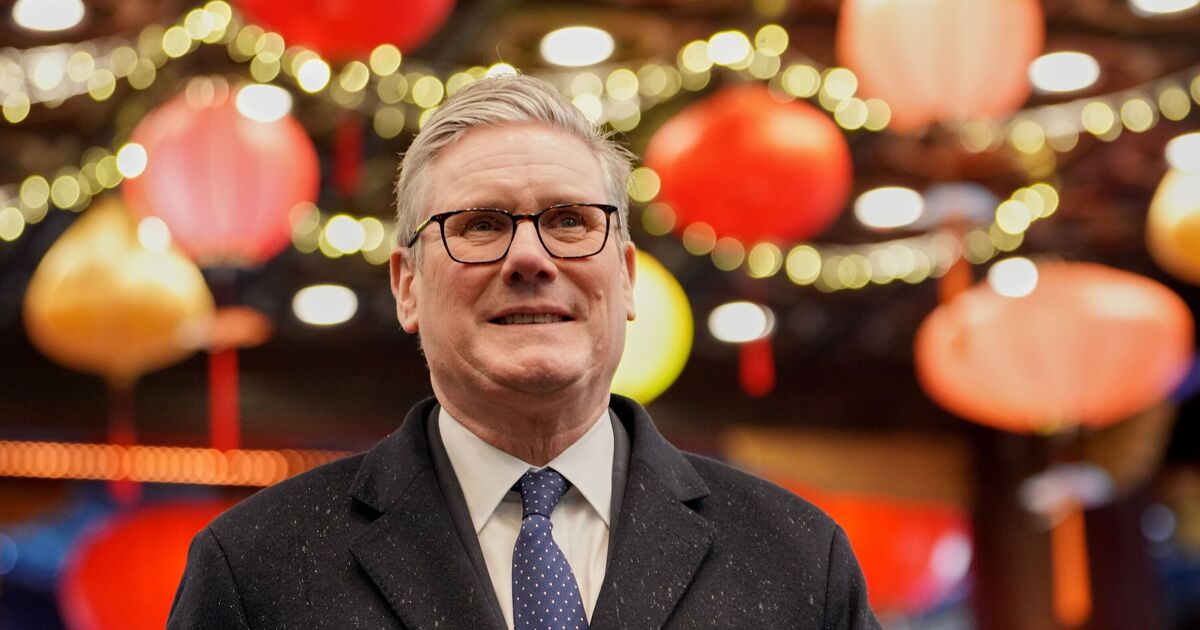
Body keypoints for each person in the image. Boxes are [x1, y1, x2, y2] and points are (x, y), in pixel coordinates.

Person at [168, 74, 880, 630]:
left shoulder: (799, 560)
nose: (530, 258)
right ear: (408, 285)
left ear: (626, 277)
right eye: (481, 224)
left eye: (569, 220)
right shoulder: (256, 569)